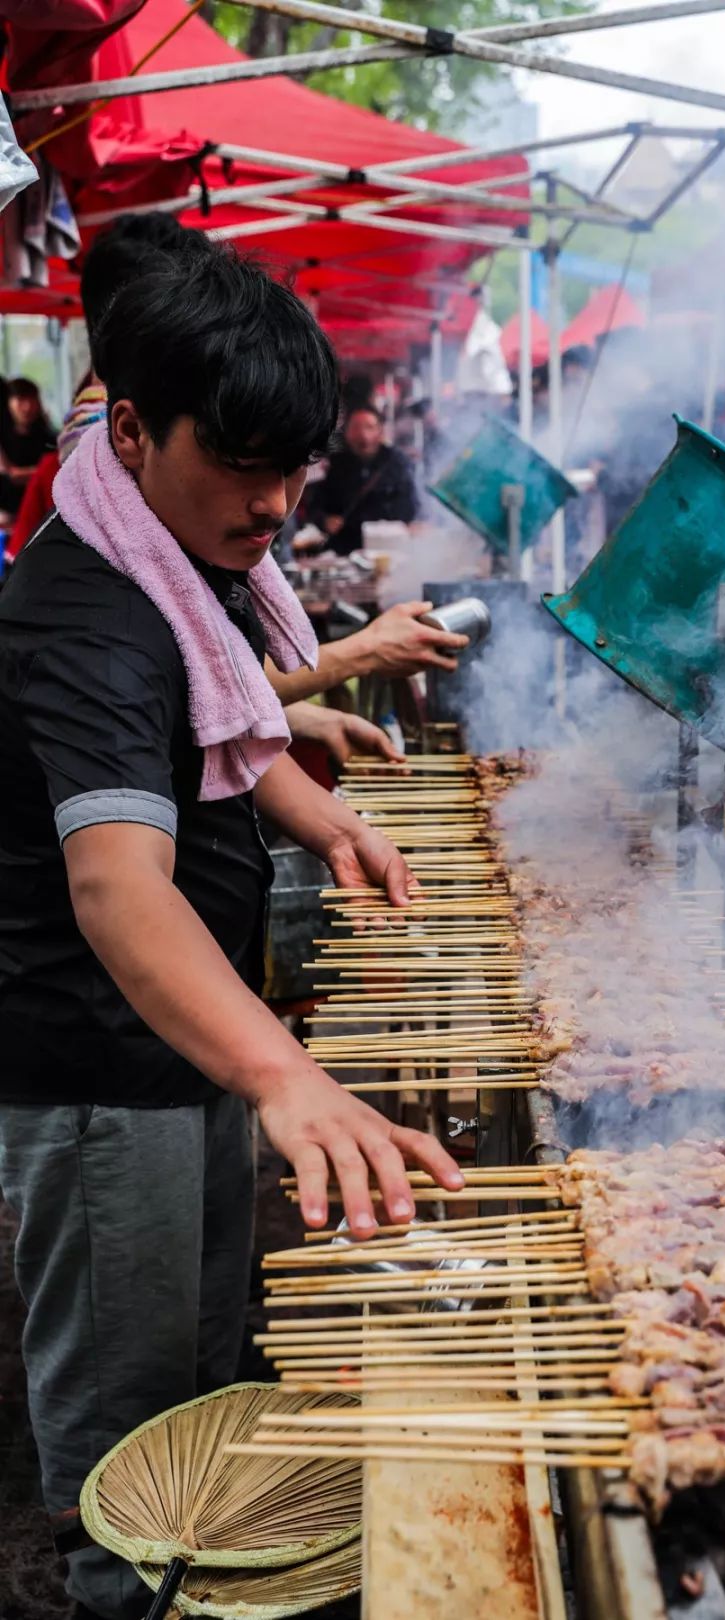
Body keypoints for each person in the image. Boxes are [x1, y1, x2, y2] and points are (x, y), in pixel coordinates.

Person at [0, 246, 463, 1620]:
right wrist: (286, 1076)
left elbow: (216, 723)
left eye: (297, 467)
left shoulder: (169, 543)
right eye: (243, 463)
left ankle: (200, 1581)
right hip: (100, 1067)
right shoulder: (83, 615)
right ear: (130, 429)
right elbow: (118, 885)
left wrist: (325, 825)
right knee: (125, 1430)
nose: (273, 503)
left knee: (207, 1365)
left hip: (183, 1041)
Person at [306, 402, 419, 553]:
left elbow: (412, 506)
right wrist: (324, 521)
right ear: (346, 432)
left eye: (369, 427)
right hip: (344, 551)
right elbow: (314, 506)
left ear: (380, 431)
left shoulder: (397, 462)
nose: (363, 435)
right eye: (356, 427)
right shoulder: (333, 464)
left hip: (389, 549)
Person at [0, 377, 56, 516]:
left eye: (32, 400)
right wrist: (42, 472)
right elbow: (10, 474)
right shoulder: (3, 438)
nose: (27, 407)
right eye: (20, 400)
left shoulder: (47, 438)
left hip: (40, 513)